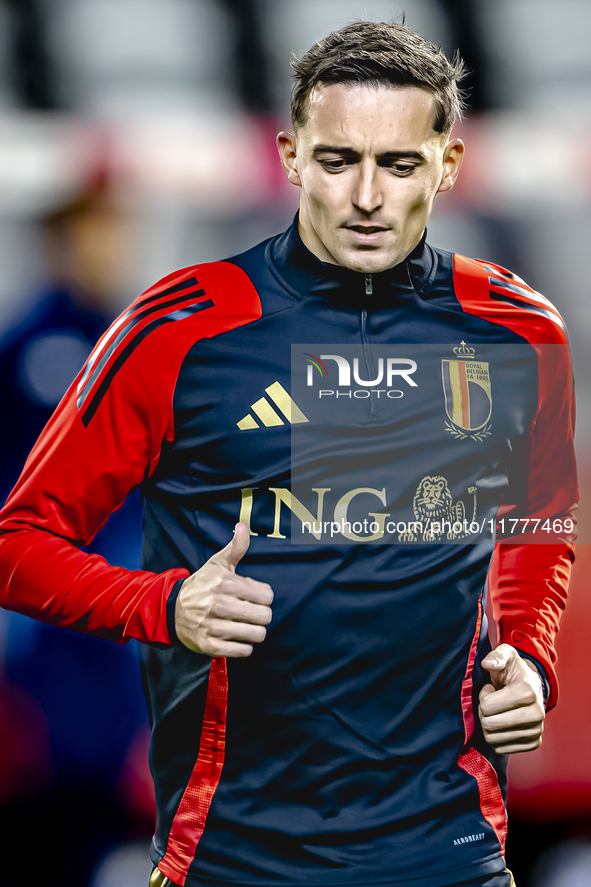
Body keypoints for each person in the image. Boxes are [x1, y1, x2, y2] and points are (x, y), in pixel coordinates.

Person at [0, 20, 576, 887]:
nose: (368, 197)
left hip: (449, 851)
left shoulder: (515, 330)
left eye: (400, 163)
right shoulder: (183, 329)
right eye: (339, 160)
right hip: (238, 857)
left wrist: (528, 659)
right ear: (290, 156)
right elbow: (18, 544)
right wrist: (163, 604)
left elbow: (537, 523)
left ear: (449, 165)